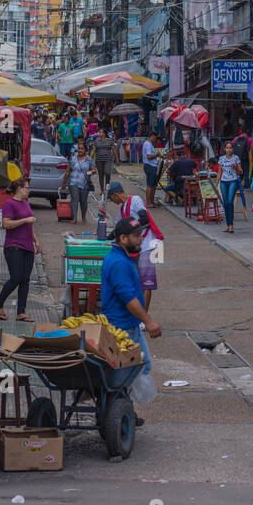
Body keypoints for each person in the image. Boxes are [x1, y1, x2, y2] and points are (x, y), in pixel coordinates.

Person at [100, 217, 162, 423]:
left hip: (128, 324)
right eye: (136, 236)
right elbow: (129, 300)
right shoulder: (118, 262)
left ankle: (124, 410)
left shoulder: (123, 257)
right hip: (123, 326)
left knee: (135, 369)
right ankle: (119, 411)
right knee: (134, 369)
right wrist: (150, 322)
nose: (141, 239)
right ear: (123, 238)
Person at [105, 181, 163, 312]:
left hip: (147, 245)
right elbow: (119, 229)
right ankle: (138, 313)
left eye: (111, 198)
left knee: (146, 284)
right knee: (136, 282)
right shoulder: (122, 209)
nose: (112, 201)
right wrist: (107, 239)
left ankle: (144, 316)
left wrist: (131, 230)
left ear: (115, 194)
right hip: (135, 248)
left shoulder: (135, 200)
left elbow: (144, 218)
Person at [0, 177, 41, 323]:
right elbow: (6, 224)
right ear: (20, 189)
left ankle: (21, 312)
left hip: (27, 246)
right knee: (16, 278)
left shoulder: (26, 203)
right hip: (13, 246)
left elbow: (29, 225)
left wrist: (36, 240)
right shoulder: (10, 204)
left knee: (25, 279)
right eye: (27, 188)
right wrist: (25, 220)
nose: (29, 190)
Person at [62, 141, 96, 221]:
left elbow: (94, 170)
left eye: (82, 149)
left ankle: (83, 217)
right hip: (73, 182)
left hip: (85, 183)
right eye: (79, 149)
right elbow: (67, 171)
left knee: (83, 201)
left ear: (85, 150)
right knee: (74, 199)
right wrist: (64, 183)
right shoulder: (73, 159)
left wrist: (90, 172)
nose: (80, 150)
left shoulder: (89, 160)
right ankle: (74, 218)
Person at [216, 142, 242, 233]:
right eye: (227, 148)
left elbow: (240, 172)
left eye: (230, 148)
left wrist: (235, 168)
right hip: (223, 182)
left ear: (233, 149)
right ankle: (228, 225)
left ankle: (231, 225)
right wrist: (216, 183)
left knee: (230, 202)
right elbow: (219, 172)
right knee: (226, 203)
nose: (229, 149)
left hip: (233, 181)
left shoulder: (236, 158)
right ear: (225, 149)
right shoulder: (221, 159)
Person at [91, 128, 119, 194]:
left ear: (104, 133)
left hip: (108, 160)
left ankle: (107, 188)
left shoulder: (110, 141)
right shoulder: (96, 141)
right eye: (99, 132)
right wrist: (89, 158)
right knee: (101, 175)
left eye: (100, 132)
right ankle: (102, 190)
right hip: (99, 160)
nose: (99, 134)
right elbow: (93, 151)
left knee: (107, 173)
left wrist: (117, 160)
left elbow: (114, 151)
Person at [142, 132, 161, 207]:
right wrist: (156, 155)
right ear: (152, 136)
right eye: (155, 137)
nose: (155, 139)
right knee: (150, 185)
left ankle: (151, 202)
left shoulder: (148, 144)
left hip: (151, 166)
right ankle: (148, 203)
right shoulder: (148, 144)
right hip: (150, 166)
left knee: (153, 185)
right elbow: (149, 157)